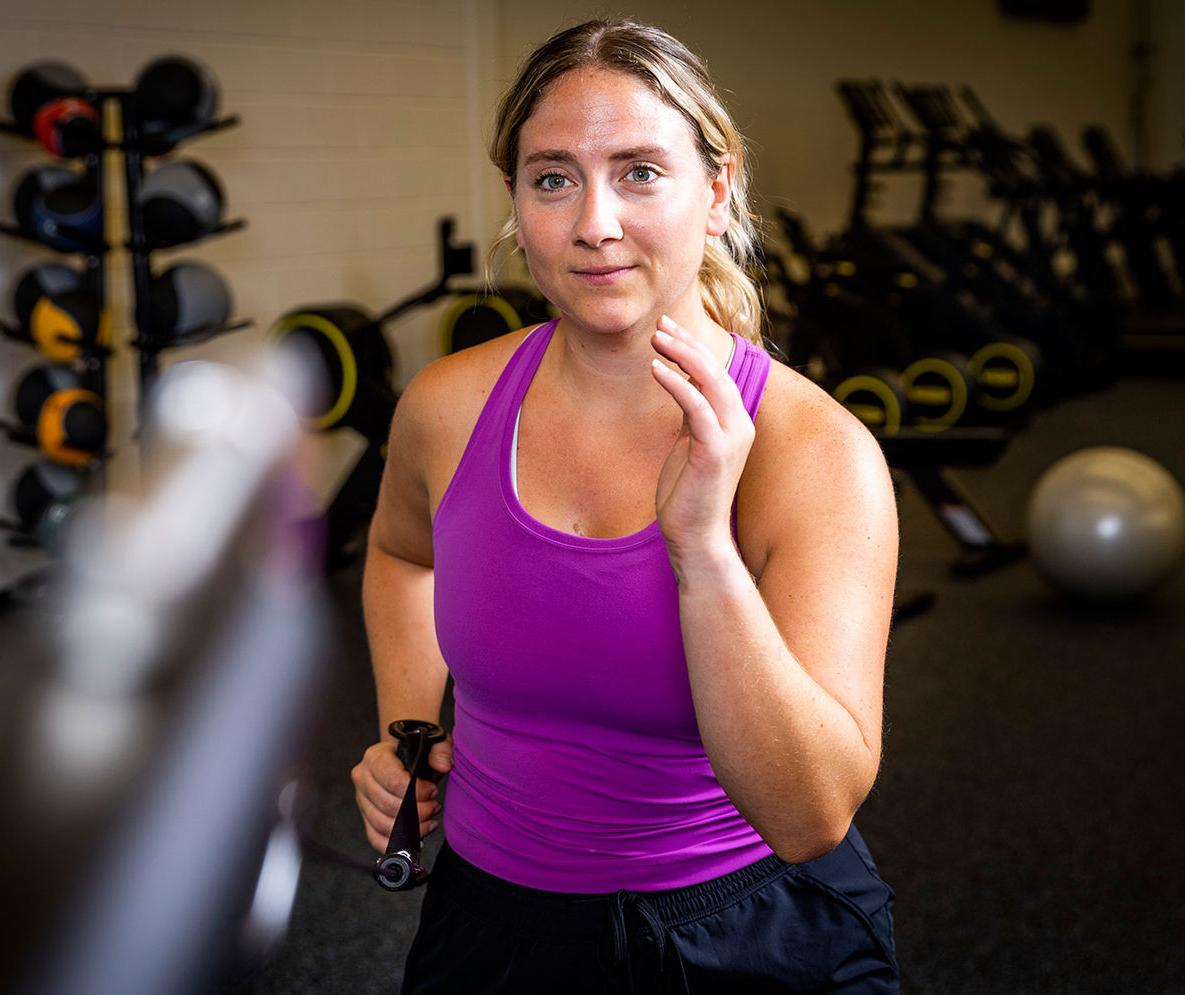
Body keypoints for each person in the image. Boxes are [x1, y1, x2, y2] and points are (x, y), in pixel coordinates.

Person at [351, 17, 900, 993]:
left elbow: (811, 811)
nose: (593, 221)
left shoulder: (814, 454)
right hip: (490, 920)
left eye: (640, 171)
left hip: (744, 929)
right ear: (516, 207)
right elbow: (400, 554)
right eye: (552, 177)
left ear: (716, 186)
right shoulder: (446, 407)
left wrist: (701, 548)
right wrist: (409, 732)